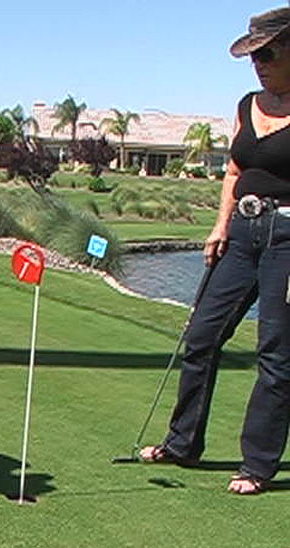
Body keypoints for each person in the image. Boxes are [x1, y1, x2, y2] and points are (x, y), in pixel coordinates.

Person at [140, 6, 290, 495]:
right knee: (202, 336)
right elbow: (232, 169)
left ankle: (258, 465)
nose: (258, 64)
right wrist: (219, 225)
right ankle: (183, 443)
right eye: (252, 57)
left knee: (275, 353)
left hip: (288, 241)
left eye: (267, 53)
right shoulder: (248, 104)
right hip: (242, 234)